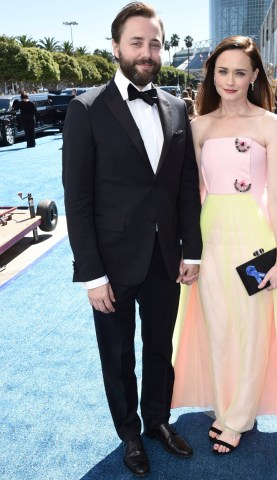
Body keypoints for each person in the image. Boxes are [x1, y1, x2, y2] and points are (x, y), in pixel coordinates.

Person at [62, 2, 202, 477]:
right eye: (137, 42)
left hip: (166, 257)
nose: (147, 52)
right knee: (118, 356)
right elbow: (76, 199)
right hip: (112, 264)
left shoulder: (177, 106)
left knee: (160, 348)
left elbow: (184, 188)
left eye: (155, 43)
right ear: (117, 46)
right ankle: (129, 434)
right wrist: (92, 274)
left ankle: (159, 421)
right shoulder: (86, 109)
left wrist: (193, 251)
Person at [172, 36, 277, 455]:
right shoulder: (199, 126)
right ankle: (222, 402)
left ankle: (240, 415)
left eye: (240, 72)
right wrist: (186, 251)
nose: (230, 80)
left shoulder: (271, 124)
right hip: (210, 236)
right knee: (217, 325)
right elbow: (192, 194)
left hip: (255, 239)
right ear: (212, 74)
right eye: (223, 71)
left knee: (252, 327)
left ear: (254, 77)